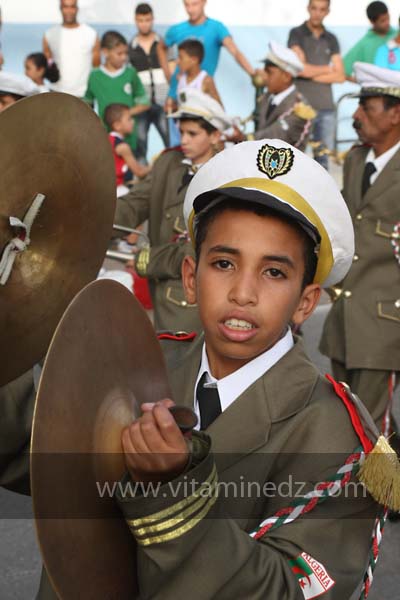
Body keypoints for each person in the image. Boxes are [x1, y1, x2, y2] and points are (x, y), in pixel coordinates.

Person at [115, 139, 380, 599]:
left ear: (305, 302)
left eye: (273, 272)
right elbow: (29, 436)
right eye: (224, 263)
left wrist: (174, 491)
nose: (243, 293)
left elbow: (289, 590)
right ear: (191, 279)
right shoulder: (137, 363)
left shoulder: (337, 435)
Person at [320, 62, 400, 432]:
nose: (356, 115)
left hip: (384, 324)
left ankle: (377, 491)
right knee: (346, 420)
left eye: (366, 107)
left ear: (395, 113)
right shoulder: (355, 160)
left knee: (372, 430)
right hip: (345, 316)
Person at [114, 89, 231, 333]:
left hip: (194, 296)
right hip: (164, 295)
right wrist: (95, 219)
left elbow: (211, 247)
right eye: (181, 131)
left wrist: (152, 259)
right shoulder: (169, 163)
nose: (184, 140)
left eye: (193, 134)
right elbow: (136, 202)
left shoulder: (228, 177)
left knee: (187, 362)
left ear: (215, 135)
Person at [157, 0, 255, 108]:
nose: (190, 10)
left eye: (194, 4)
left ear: (204, 2)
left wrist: (252, 73)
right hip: (176, 92)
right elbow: (160, 47)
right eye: (186, 5)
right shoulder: (177, 29)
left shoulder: (216, 28)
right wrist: (167, 74)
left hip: (202, 92)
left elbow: (235, 52)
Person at [288, 0, 345, 170]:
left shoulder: (331, 38)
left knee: (323, 160)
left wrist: (309, 72)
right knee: (294, 157)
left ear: (327, 11)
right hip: (301, 106)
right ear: (308, 8)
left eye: (322, 9)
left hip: (326, 107)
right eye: (314, 8)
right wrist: (328, 69)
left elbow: (341, 76)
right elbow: (300, 69)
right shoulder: (296, 33)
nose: (317, 13)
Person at [228, 41, 315, 151]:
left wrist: (243, 138)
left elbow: (274, 137)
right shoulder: (266, 98)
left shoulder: (300, 108)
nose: (264, 77)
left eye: (269, 72)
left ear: (286, 76)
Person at [84, 31, 150, 154]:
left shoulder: (130, 73)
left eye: (126, 53)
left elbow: (144, 102)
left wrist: (124, 116)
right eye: (119, 53)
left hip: (129, 137)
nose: (124, 57)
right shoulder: (95, 76)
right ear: (105, 52)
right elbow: (87, 103)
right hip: (105, 138)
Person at [128, 3, 170, 163]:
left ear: (152, 19)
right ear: (135, 20)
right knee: (140, 144)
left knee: (170, 141)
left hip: (163, 101)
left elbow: (171, 70)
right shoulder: (130, 47)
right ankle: (142, 181)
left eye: (147, 20)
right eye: (140, 20)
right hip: (141, 104)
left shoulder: (163, 44)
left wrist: (171, 97)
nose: (144, 24)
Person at [43, 0, 100, 97]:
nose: (69, 11)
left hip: (83, 95)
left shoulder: (91, 34)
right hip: (56, 93)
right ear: (60, 8)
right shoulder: (49, 35)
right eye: (65, 7)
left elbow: (96, 67)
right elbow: (48, 66)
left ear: (77, 9)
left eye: (72, 7)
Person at [104, 103, 150, 197]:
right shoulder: (123, 147)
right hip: (119, 191)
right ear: (117, 125)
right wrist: (155, 165)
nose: (132, 122)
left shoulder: (106, 140)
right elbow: (140, 172)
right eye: (129, 119)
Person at [344, 2, 395, 81]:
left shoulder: (397, 35)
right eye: (382, 21)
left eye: (388, 18)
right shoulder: (364, 44)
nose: (387, 23)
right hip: (377, 91)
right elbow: (343, 71)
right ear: (372, 22)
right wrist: (365, 83)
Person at [177, 39, 222, 103]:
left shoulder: (206, 81)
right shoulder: (181, 79)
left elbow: (219, 108)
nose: (177, 61)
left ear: (194, 60)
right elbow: (184, 103)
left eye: (181, 58)